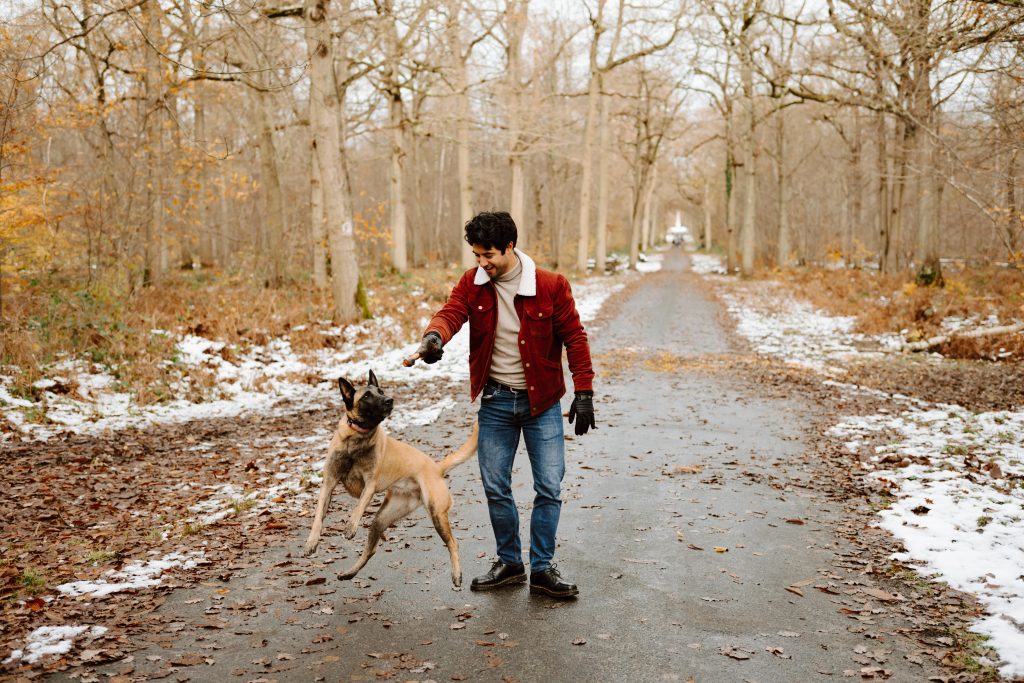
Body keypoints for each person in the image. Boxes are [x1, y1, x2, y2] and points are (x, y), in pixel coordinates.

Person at [407, 211, 596, 599]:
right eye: (476, 255)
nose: (482, 263)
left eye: (488, 254)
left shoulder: (550, 285)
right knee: (495, 487)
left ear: (510, 246)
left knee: (548, 486)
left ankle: (543, 569)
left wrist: (584, 391)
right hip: (495, 400)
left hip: (541, 403)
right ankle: (509, 562)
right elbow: (451, 313)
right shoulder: (473, 283)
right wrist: (434, 338)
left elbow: (575, 337)